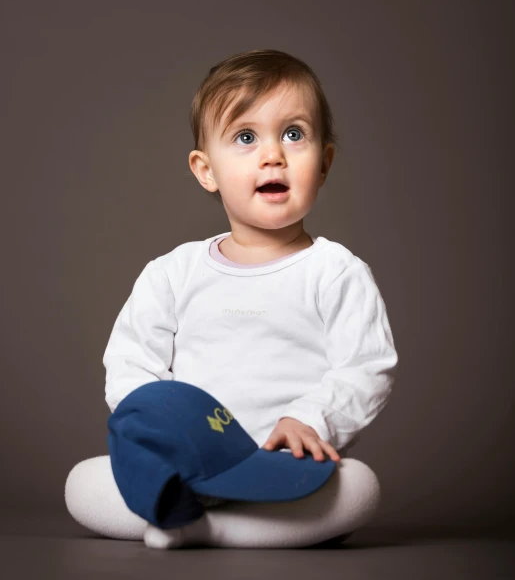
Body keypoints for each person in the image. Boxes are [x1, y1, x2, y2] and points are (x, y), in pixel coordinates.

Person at [64, 48, 399, 549]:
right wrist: (162, 436)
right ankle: (211, 516)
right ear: (206, 171)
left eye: (294, 134)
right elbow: (133, 365)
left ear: (324, 162)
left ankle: (197, 526)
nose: (273, 155)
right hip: (191, 459)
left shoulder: (336, 273)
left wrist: (311, 418)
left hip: (280, 466)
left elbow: (366, 366)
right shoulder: (173, 273)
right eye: (246, 137)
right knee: (83, 484)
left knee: (358, 489)